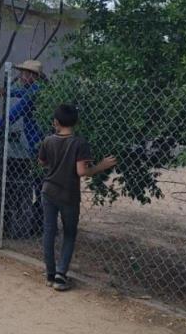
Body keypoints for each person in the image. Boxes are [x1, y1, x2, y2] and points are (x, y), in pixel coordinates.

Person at [37, 104, 118, 291]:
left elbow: (42, 162)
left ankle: (49, 273)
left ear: (55, 122)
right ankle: (60, 275)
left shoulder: (48, 140)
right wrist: (102, 165)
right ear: (76, 122)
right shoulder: (79, 143)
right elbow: (82, 172)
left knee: (49, 231)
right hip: (68, 194)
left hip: (48, 191)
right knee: (69, 233)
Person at [0, 59, 45, 155]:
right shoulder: (36, 88)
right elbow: (20, 91)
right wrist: (7, 91)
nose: (21, 76)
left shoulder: (34, 91)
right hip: (36, 136)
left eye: (24, 74)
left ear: (32, 75)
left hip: (38, 137)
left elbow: (16, 112)